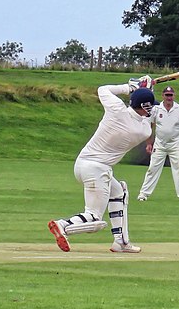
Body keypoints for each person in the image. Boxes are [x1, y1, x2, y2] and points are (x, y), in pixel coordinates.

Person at [48, 78, 157, 254]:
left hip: (82, 163)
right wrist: (146, 90)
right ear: (146, 107)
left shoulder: (117, 109)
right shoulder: (142, 131)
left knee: (119, 192)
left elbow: (103, 90)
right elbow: (149, 116)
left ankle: (121, 242)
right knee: (95, 220)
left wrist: (129, 87)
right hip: (98, 169)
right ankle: (63, 226)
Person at [137, 85, 179, 203]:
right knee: (153, 168)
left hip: (175, 144)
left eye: (171, 95)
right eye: (167, 95)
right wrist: (149, 143)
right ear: (163, 96)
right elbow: (150, 125)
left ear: (174, 96)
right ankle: (143, 193)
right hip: (160, 144)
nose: (169, 98)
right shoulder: (156, 109)